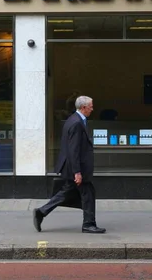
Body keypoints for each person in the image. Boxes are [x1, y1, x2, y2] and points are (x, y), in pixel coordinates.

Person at [33, 96, 105, 234]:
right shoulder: (77, 123)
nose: (92, 108)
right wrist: (77, 172)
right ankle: (88, 224)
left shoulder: (74, 119)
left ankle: (41, 212)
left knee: (68, 192)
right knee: (87, 193)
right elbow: (74, 149)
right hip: (77, 168)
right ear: (83, 107)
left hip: (73, 167)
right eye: (90, 106)